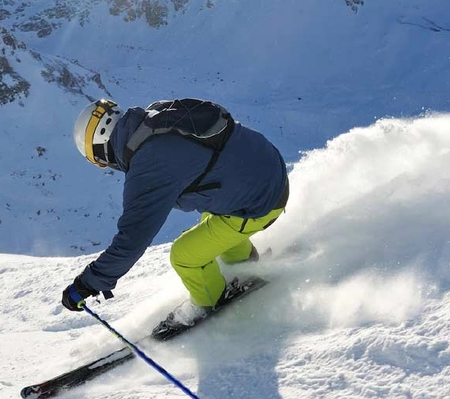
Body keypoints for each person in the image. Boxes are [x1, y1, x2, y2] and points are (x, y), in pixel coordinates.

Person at [60, 98, 290, 334]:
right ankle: (244, 265)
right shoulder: (156, 117)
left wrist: (87, 284)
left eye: (99, 161)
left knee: (185, 255)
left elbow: (131, 240)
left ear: (101, 149)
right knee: (211, 225)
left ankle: (210, 302)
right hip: (268, 169)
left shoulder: (148, 164)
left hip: (259, 202)